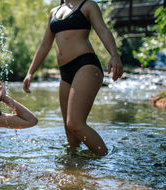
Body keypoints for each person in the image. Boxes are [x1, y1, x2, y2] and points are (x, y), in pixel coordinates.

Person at [23, 0, 123, 156]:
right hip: (65, 73)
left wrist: (114, 55)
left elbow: (103, 30)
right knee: (71, 134)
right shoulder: (53, 12)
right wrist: (30, 72)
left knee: (75, 123)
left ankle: (105, 160)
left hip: (86, 65)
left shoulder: (88, 6)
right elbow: (45, 45)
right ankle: (75, 169)